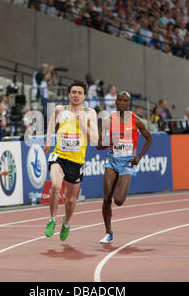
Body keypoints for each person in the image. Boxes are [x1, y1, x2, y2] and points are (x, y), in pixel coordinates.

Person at [43, 81, 98, 241]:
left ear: (84, 96)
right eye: (73, 92)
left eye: (80, 93)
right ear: (69, 94)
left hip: (77, 160)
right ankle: (52, 219)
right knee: (55, 186)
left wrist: (83, 125)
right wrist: (47, 140)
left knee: (71, 199)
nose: (76, 95)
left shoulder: (90, 113)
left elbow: (95, 140)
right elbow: (52, 122)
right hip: (59, 155)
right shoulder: (61, 110)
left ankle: (66, 223)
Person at [97, 91, 152, 244]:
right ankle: (108, 233)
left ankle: (120, 184)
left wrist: (139, 156)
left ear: (129, 103)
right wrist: (110, 142)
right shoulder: (108, 121)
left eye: (125, 100)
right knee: (107, 198)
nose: (121, 103)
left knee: (119, 200)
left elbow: (149, 138)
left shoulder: (136, 121)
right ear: (115, 102)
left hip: (128, 162)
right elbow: (99, 146)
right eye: (119, 100)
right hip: (112, 160)